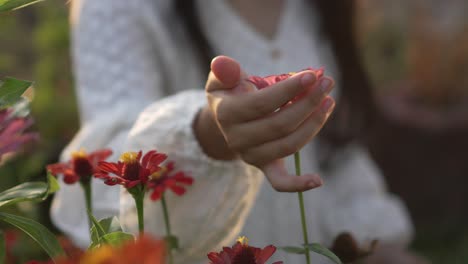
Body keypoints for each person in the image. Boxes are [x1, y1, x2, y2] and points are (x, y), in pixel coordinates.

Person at [52, 0, 424, 263]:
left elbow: (333, 151)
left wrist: (374, 243)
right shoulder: (119, 7)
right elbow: (112, 160)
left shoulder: (317, 7)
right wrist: (207, 136)